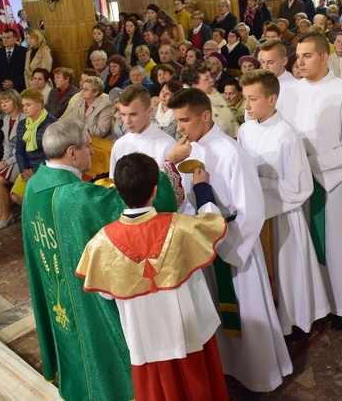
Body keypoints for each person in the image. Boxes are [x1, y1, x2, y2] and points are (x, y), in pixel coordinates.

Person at [169, 87, 294, 393]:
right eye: (177, 121)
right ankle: (227, 370)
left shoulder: (231, 153)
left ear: (205, 116)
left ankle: (260, 378)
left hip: (234, 251)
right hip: (205, 246)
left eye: (184, 120)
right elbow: (184, 198)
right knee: (219, 320)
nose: (179, 128)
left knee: (248, 317)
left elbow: (252, 210)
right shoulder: (190, 149)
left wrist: (224, 247)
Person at [77, 152, 228, 401]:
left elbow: (106, 293)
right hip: (189, 334)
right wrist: (203, 190)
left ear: (118, 190)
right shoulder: (180, 227)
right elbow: (214, 224)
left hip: (145, 341)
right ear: (155, 190)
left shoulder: (101, 244)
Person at [20, 119, 135, 400]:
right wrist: (166, 168)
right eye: (88, 146)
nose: (93, 152)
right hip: (85, 304)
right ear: (71, 153)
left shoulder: (34, 186)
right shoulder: (75, 196)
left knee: (66, 330)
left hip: (57, 294)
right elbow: (133, 205)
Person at [280, 32, 342, 330]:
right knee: (306, 245)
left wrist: (311, 166)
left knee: (337, 245)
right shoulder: (290, 92)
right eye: (297, 55)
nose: (300, 61)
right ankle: (316, 303)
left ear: (323, 57)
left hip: (334, 184)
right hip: (299, 185)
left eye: (307, 55)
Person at [237, 68, 330, 337]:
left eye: (253, 99)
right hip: (257, 216)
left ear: (272, 99)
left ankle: (295, 323)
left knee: (289, 275)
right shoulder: (245, 130)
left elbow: (301, 187)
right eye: (245, 98)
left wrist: (261, 182)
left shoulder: (286, 135)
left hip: (283, 217)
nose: (247, 106)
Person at [110, 85, 176, 178]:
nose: (127, 121)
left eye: (133, 114)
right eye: (123, 114)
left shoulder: (168, 145)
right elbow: (113, 182)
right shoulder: (119, 144)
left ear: (149, 111)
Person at [10, 88, 57, 218]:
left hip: (46, 169)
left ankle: (41, 219)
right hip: (28, 168)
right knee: (16, 196)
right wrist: (24, 170)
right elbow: (19, 151)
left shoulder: (51, 124)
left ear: (39, 105)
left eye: (28, 105)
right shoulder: (22, 124)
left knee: (34, 199)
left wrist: (35, 172)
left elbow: (52, 154)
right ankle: (35, 217)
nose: (24, 108)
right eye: (23, 105)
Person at [0, 89, 22, 228]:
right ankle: (2, 212)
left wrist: (9, 161)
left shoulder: (23, 118)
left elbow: (21, 147)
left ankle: (7, 214)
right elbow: (6, 143)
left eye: (7, 101)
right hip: (10, 157)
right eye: (2, 102)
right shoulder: (6, 119)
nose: (3, 105)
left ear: (15, 101)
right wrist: (4, 159)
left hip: (20, 159)